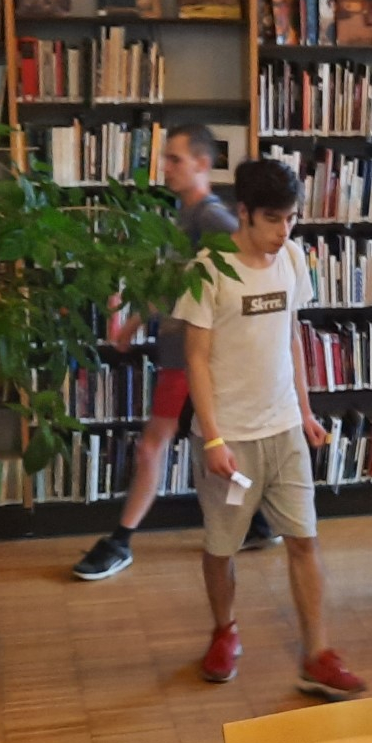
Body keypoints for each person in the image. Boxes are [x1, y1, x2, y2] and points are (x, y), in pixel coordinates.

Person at [171, 158, 365, 695]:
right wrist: (213, 438)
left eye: (292, 218)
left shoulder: (293, 259)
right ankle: (224, 631)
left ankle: (317, 654)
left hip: (284, 431)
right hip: (230, 439)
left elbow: (292, 337)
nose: (284, 231)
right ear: (244, 213)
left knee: (304, 539)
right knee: (222, 547)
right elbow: (196, 359)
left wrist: (305, 411)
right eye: (273, 219)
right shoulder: (209, 270)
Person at [72, 125, 277, 582]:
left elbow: (252, 265)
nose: (165, 167)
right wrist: (133, 322)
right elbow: (172, 286)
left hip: (191, 360)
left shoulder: (212, 218)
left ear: (202, 164)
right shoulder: (182, 219)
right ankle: (257, 523)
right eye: (165, 159)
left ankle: (120, 541)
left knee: (152, 447)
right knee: (215, 448)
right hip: (177, 355)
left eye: (175, 159)